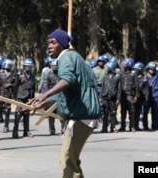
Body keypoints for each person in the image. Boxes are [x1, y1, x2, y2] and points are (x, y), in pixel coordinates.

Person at [27, 29, 100, 178]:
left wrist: (45, 94)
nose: (50, 46)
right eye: (48, 43)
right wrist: (45, 100)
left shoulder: (66, 57)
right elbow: (70, 88)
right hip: (81, 117)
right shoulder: (75, 57)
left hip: (81, 117)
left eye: (53, 42)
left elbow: (67, 80)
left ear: (62, 43)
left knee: (67, 159)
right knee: (71, 159)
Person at [12, 58, 36, 139]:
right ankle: (15, 132)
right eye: (27, 66)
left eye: (30, 66)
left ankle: (26, 131)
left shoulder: (32, 76)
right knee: (18, 114)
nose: (28, 68)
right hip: (20, 96)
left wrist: (33, 98)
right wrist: (15, 96)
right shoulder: (20, 75)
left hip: (28, 97)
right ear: (24, 67)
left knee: (26, 114)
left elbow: (33, 87)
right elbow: (15, 86)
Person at [0, 58, 15, 133]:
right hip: (0, 95)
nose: (8, 66)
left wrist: (11, 85)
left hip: (8, 95)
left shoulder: (13, 74)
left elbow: (16, 85)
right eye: (7, 65)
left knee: (7, 111)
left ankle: (6, 126)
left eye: (9, 65)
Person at [117, 57, 139, 132]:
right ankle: (122, 126)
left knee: (132, 111)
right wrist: (118, 97)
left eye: (125, 64)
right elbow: (119, 85)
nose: (124, 65)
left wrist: (136, 95)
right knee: (123, 112)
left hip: (130, 95)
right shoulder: (121, 73)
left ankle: (132, 127)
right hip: (123, 95)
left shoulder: (134, 74)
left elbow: (137, 85)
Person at [99, 61, 120, 133]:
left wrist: (118, 99)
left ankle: (113, 127)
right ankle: (104, 128)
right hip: (105, 97)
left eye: (108, 67)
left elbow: (119, 89)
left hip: (113, 97)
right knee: (105, 113)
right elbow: (102, 87)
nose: (107, 68)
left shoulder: (117, 77)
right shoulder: (105, 76)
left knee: (113, 113)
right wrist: (100, 96)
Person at [142, 62, 158, 130]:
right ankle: (145, 126)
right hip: (147, 96)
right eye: (151, 69)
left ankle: (154, 126)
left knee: (155, 112)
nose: (152, 70)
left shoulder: (157, 75)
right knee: (145, 112)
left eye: (153, 69)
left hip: (155, 95)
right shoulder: (145, 76)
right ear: (148, 69)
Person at [46, 59, 65, 135]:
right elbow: (47, 87)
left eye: (55, 66)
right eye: (53, 66)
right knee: (51, 114)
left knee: (62, 113)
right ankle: (52, 129)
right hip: (52, 96)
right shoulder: (49, 75)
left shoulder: (61, 75)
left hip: (60, 97)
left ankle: (63, 128)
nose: (54, 67)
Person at [133, 62, 149, 131]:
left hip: (140, 98)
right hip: (133, 97)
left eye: (137, 69)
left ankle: (136, 126)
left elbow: (146, 90)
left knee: (138, 112)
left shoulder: (144, 78)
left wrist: (146, 99)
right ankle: (132, 126)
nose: (136, 71)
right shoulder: (132, 76)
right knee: (132, 112)